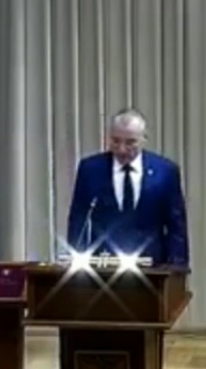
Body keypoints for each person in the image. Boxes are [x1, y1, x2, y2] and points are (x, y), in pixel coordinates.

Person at [66, 108, 189, 268]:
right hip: (103, 266)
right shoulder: (90, 169)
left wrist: (177, 267)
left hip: (153, 266)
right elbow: (78, 220)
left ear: (144, 139)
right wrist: (77, 264)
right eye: (115, 141)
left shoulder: (165, 171)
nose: (122, 149)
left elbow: (176, 225)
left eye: (130, 142)